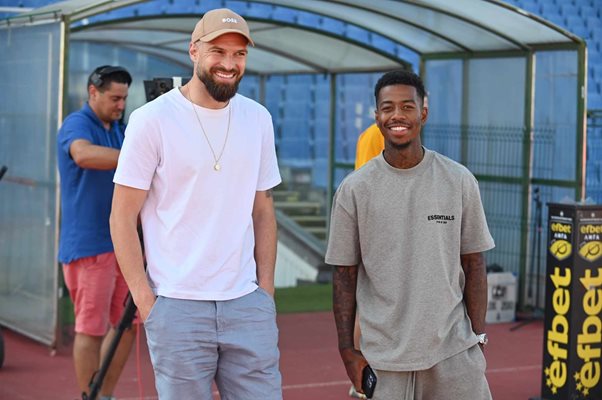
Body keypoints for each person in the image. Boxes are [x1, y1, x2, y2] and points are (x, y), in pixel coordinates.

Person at [109, 8, 282, 400]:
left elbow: (263, 211)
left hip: (246, 304)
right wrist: (145, 299)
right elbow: (122, 216)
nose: (229, 63)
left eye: (239, 55)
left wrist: (265, 293)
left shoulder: (258, 119)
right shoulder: (151, 119)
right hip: (176, 306)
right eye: (218, 51)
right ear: (193, 51)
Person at [326, 69, 495, 399]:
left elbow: (475, 265)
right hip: (384, 361)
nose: (397, 115)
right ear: (377, 117)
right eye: (387, 108)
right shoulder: (354, 190)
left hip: (454, 355)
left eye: (407, 106)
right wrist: (348, 351)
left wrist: (478, 337)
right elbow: (343, 276)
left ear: (424, 113)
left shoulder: (459, 181)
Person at [57, 65, 136, 400]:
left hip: (122, 245)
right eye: (115, 98)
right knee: (90, 329)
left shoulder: (119, 128)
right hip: (89, 247)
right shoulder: (77, 123)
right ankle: (89, 395)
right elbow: (83, 154)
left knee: (127, 326)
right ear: (93, 92)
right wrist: (135, 157)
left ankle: (104, 395)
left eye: (124, 99)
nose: (121, 105)